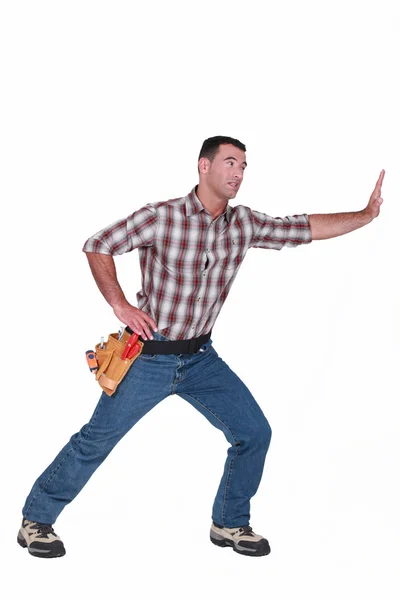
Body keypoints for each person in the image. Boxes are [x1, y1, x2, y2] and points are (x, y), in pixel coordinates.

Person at [18, 136, 385, 559]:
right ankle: (36, 520)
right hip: (149, 357)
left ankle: (229, 523)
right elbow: (98, 244)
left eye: (244, 166)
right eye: (230, 163)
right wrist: (120, 304)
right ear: (203, 167)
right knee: (96, 440)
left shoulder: (244, 223)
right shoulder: (161, 217)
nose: (238, 173)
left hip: (201, 360)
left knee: (253, 433)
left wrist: (365, 215)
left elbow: (303, 228)